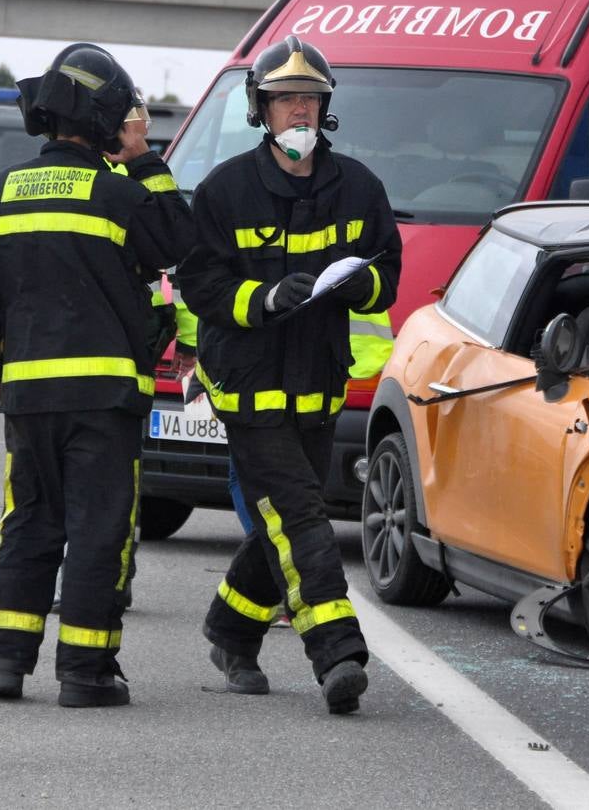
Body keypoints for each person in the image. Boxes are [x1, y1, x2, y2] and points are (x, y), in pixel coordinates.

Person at [0, 43, 191, 709]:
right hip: (105, 398)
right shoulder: (118, 194)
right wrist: (146, 158)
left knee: (29, 519)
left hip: (27, 396)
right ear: (109, 122)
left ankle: (6, 661)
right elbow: (180, 244)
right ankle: (85, 674)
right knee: (97, 527)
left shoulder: (1, 192)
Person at [177, 35, 402, 715]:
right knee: (302, 516)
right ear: (261, 111)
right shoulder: (225, 191)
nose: (298, 111)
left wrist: (354, 287)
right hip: (246, 387)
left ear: (324, 108)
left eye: (308, 99)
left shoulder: (358, 187)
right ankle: (337, 652)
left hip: (318, 384)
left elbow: (386, 276)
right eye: (284, 101)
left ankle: (229, 630)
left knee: (277, 522)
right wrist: (264, 300)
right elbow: (201, 285)